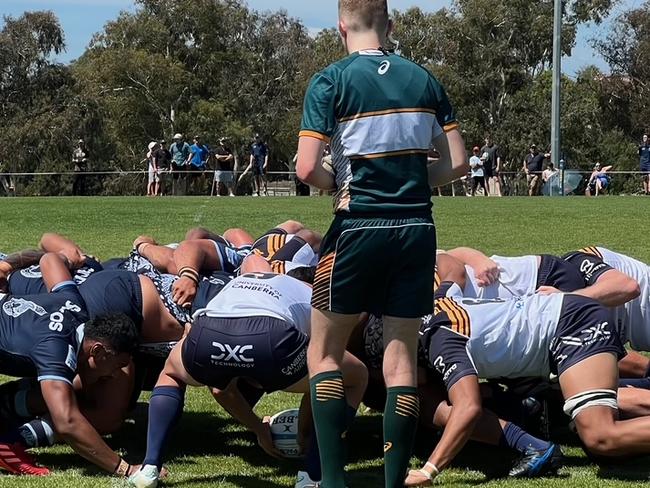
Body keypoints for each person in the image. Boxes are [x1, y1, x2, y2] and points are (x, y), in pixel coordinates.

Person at [295, 1, 467, 486]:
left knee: (325, 354)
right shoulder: (425, 80)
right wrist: (410, 183)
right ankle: (395, 480)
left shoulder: (331, 80)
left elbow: (308, 168)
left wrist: (341, 183)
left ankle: (332, 479)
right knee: (399, 359)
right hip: (416, 229)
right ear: (390, 26)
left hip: (358, 228)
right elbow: (457, 165)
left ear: (340, 27)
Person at [127, 256, 368, 488]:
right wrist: (304, 432)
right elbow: (322, 375)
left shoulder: (248, 280)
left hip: (210, 328)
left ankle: (149, 468)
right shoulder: (313, 296)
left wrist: (257, 428)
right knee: (354, 377)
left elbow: (221, 389)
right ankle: (312, 475)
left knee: (171, 373)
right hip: (269, 334)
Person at [404, 290, 650, 486]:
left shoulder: (440, 340)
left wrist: (429, 470)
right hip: (565, 320)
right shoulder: (435, 304)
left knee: (601, 436)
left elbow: (468, 407)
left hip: (570, 325)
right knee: (604, 448)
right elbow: (449, 268)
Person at [0, 252, 140, 477]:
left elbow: (49, 259)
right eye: (117, 365)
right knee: (62, 402)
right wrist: (126, 469)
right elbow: (67, 421)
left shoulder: (75, 305)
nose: (115, 374)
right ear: (97, 350)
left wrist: (68, 259)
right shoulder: (56, 350)